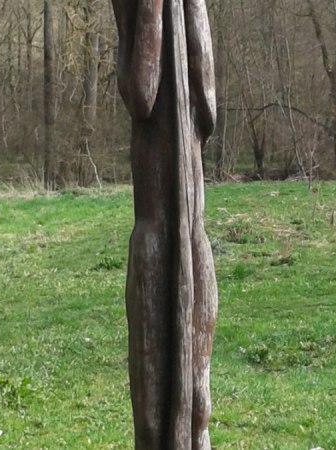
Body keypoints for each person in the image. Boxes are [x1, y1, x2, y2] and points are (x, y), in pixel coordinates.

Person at [111, 0, 218, 448]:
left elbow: (208, 109)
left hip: (193, 238)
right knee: (153, 412)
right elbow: (142, 91)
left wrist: (191, 7)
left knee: (197, 398)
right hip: (155, 239)